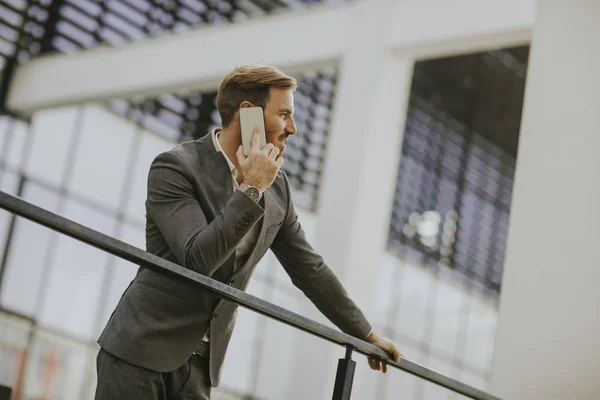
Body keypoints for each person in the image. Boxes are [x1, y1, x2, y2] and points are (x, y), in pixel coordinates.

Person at [94, 65, 401, 400]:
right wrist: (251, 189)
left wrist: (366, 335)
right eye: (284, 114)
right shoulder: (177, 166)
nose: (293, 129)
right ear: (248, 113)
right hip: (140, 350)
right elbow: (197, 258)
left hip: (201, 369)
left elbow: (309, 269)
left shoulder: (278, 188)